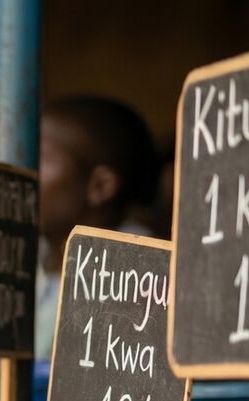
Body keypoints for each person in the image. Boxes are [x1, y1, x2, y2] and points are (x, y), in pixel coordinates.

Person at [34, 95, 162, 358]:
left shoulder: (138, 269)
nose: (23, 174)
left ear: (100, 186)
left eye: (41, 160)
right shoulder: (36, 257)